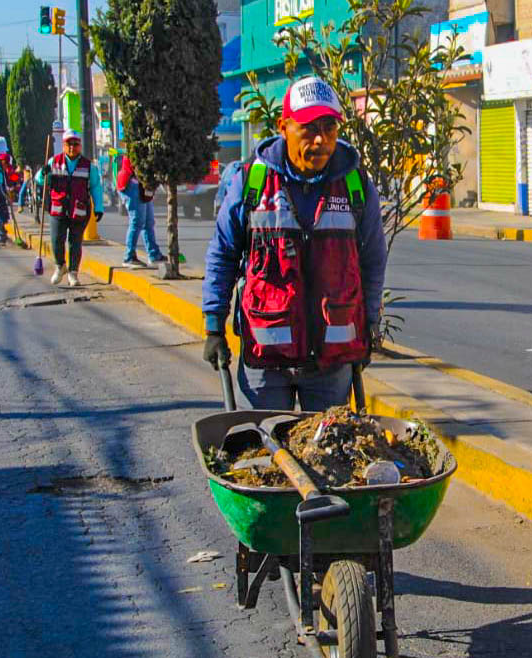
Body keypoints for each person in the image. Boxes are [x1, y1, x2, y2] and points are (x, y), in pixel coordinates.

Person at [202, 76, 387, 412]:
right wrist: (214, 324)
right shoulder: (251, 183)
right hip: (266, 357)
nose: (320, 140)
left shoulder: (356, 186)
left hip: (331, 362)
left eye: (330, 129)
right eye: (308, 128)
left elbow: (372, 259)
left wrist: (370, 321)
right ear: (283, 126)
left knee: (330, 455)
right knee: (264, 451)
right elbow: (223, 254)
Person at [43, 130, 104, 288]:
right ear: (63, 146)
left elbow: (96, 187)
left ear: (80, 146)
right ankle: (60, 265)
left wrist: (99, 207)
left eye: (75, 144)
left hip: (79, 209)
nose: (72, 147)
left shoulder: (89, 166)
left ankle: (73, 273)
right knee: (56, 240)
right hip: (58, 209)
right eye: (69, 144)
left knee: (75, 243)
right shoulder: (53, 162)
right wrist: (44, 175)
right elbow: (40, 180)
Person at [116, 153, 165, 267]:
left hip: (142, 184)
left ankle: (154, 255)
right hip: (132, 184)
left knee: (148, 222)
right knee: (137, 221)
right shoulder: (139, 145)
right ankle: (129, 257)